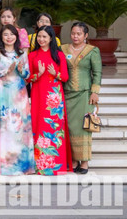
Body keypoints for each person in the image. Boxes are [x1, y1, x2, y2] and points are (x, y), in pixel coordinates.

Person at [0, 24, 35, 176]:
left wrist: (22, 70)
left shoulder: (22, 53)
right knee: (5, 126)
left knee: (21, 127)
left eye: (12, 34)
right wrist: (6, 71)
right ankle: (6, 164)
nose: (9, 37)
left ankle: (23, 165)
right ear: (1, 37)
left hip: (19, 92)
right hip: (3, 91)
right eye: (5, 35)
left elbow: (27, 74)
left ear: (16, 36)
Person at [28, 25, 71, 175]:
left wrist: (56, 73)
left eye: (44, 37)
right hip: (38, 94)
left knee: (54, 129)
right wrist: (38, 74)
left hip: (54, 98)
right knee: (39, 126)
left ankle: (56, 165)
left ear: (51, 38)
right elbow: (27, 78)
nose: (41, 39)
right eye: (39, 36)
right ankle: (40, 164)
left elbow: (65, 77)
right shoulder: (32, 55)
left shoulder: (58, 55)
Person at [61, 22, 101, 175]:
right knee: (69, 128)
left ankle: (84, 162)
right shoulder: (63, 49)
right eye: (73, 33)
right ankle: (73, 161)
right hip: (67, 93)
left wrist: (95, 92)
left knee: (84, 127)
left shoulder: (92, 51)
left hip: (85, 94)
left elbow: (97, 73)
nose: (75, 36)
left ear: (85, 36)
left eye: (79, 34)